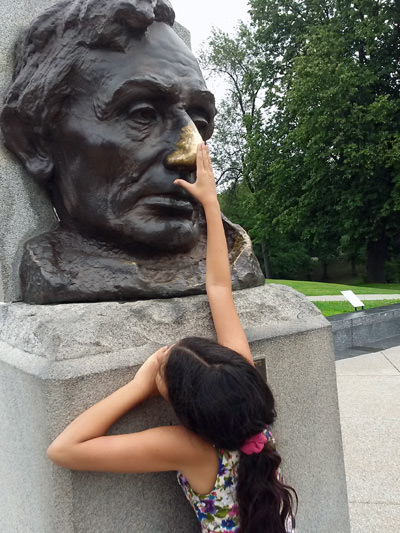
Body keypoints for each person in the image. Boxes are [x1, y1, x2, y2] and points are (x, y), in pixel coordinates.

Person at [47, 143, 296, 533]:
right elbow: (218, 287)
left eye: (166, 367)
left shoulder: (186, 446)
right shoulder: (246, 402)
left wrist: (137, 386)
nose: (163, 355)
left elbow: (63, 450)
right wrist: (210, 205)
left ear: (184, 411)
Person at [1, 0, 264, 304]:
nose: (191, 154)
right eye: (143, 114)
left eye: (199, 122)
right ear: (35, 140)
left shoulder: (234, 255)